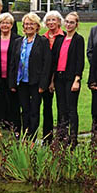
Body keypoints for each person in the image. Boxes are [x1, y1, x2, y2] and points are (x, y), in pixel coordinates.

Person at [9, 13, 51, 137]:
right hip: (21, 82)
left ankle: (32, 136)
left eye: (31, 24)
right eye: (26, 24)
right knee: (24, 110)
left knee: (34, 111)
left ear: (37, 26)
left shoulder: (43, 41)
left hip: (35, 82)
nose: (29, 26)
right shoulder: (18, 42)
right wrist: (12, 83)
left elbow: (46, 64)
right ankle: (25, 135)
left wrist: (43, 84)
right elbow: (13, 63)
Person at [50, 12, 84, 146]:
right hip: (59, 78)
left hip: (71, 78)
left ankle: (73, 137)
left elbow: (79, 61)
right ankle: (61, 136)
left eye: (72, 22)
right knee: (61, 107)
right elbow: (54, 61)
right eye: (67, 22)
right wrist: (52, 80)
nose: (69, 25)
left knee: (71, 108)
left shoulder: (78, 39)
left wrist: (77, 79)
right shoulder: (60, 39)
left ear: (76, 24)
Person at [0, 12, 21, 133]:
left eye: (8, 23)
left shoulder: (18, 39)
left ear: (12, 25)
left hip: (12, 76)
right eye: (2, 23)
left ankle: (14, 127)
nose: (5, 25)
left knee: (13, 103)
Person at [42, 10, 65, 143]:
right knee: (47, 108)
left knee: (62, 107)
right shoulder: (42, 38)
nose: (51, 22)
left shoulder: (64, 38)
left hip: (60, 77)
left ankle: (61, 135)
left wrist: (53, 80)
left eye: (53, 20)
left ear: (59, 22)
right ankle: (47, 136)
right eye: (48, 20)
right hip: (45, 77)